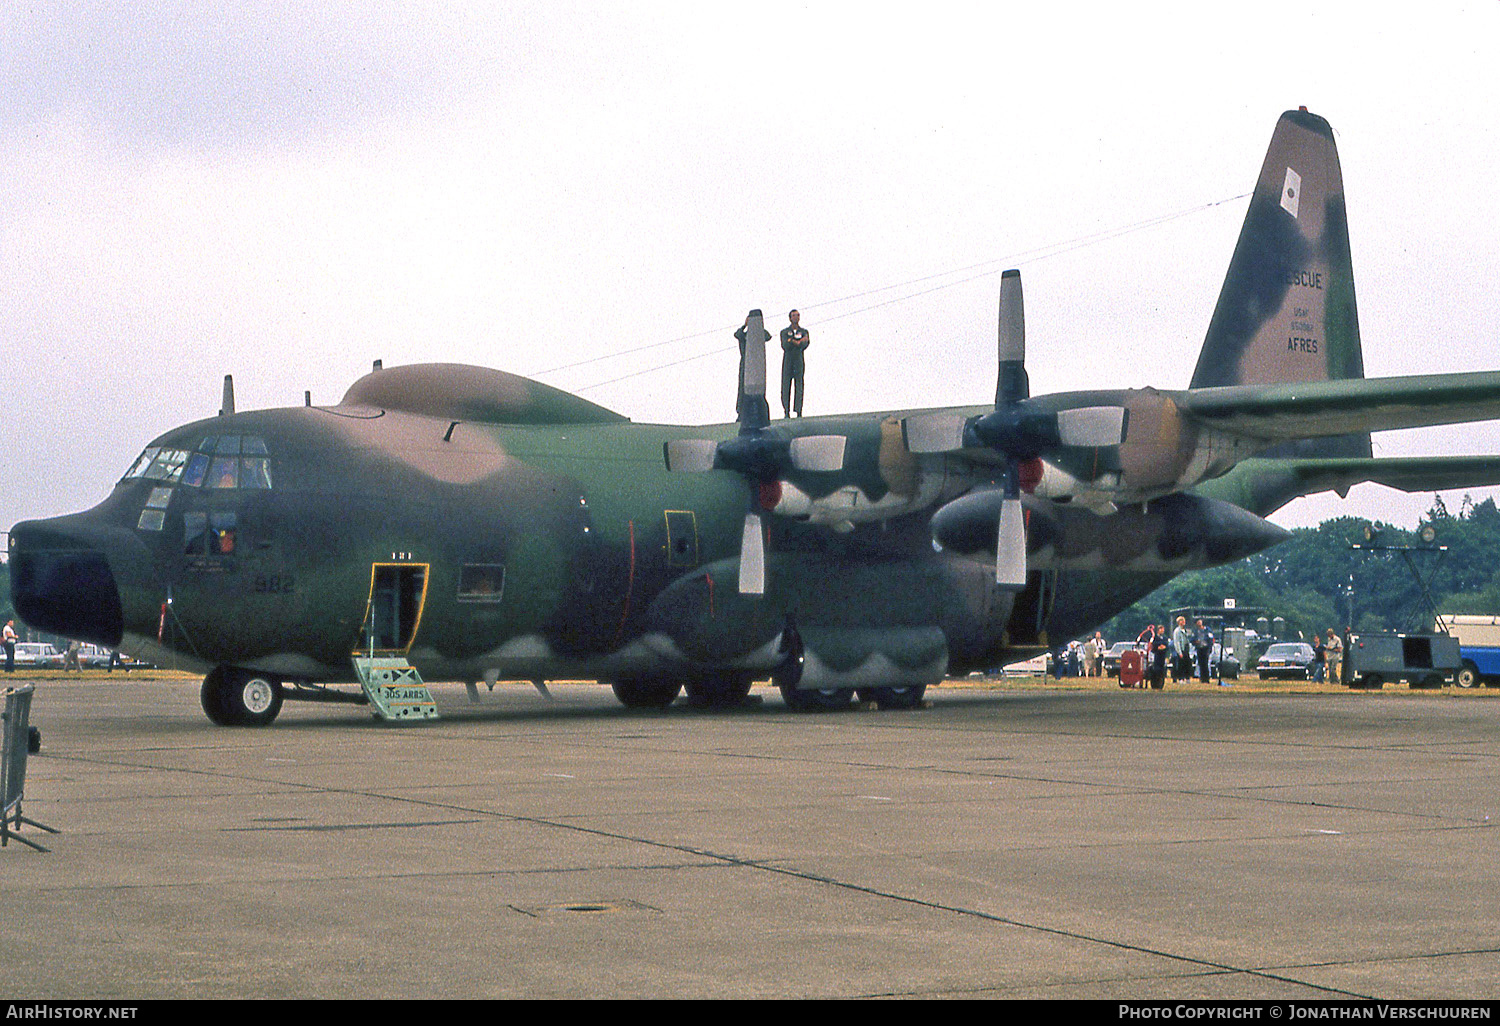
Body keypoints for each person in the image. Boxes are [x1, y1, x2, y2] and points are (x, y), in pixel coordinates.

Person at [734, 315, 772, 424]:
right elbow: (737, 334)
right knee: (742, 389)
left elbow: (768, 336)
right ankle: (741, 413)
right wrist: (745, 325)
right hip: (745, 363)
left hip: (756, 363)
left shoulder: (759, 336)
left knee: (758, 389)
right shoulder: (744, 335)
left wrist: (757, 326)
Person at [780, 309, 809, 418]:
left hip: (799, 360)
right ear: (790, 318)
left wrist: (793, 341)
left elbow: (805, 343)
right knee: (786, 385)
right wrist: (796, 342)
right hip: (788, 361)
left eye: (797, 315)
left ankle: (798, 411)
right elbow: (785, 345)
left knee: (799, 385)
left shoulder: (804, 331)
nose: (796, 317)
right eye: (793, 316)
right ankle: (786, 411)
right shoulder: (784, 332)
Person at [1148, 624, 1171, 690]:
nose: (1162, 631)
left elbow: (1166, 645)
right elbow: (1153, 645)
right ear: (1158, 630)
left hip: (1162, 657)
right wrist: (1158, 647)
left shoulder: (1165, 638)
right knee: (1156, 670)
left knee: (1162, 671)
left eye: (1163, 629)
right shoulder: (1155, 638)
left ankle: (1160, 684)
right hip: (1157, 656)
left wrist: (1164, 647)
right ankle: (1155, 684)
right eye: (1161, 629)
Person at [1171, 615, 1191, 681]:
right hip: (1181, 649)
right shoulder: (1177, 631)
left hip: (1186, 649)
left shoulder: (1185, 630)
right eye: (1182, 620)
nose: (1184, 622)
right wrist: (1179, 652)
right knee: (1180, 665)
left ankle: (1187, 677)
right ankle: (1180, 678)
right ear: (1179, 622)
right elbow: (1176, 642)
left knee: (1187, 664)